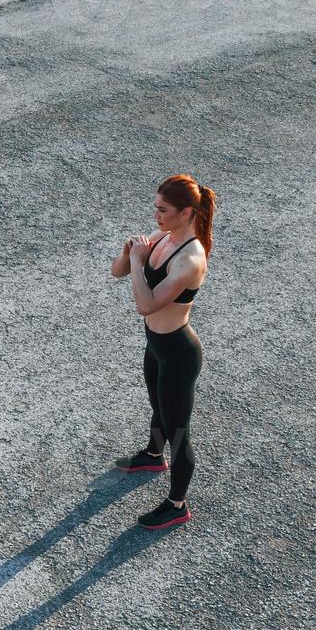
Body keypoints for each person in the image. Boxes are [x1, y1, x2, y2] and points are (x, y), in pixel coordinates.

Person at [109, 174, 214, 530]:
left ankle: (177, 504)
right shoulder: (164, 238)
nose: (156, 216)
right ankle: (154, 455)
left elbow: (147, 304)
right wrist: (128, 254)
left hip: (179, 352)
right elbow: (116, 272)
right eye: (155, 208)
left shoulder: (191, 259)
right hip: (155, 345)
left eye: (163, 210)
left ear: (186, 212)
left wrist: (139, 262)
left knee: (179, 430)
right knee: (158, 406)